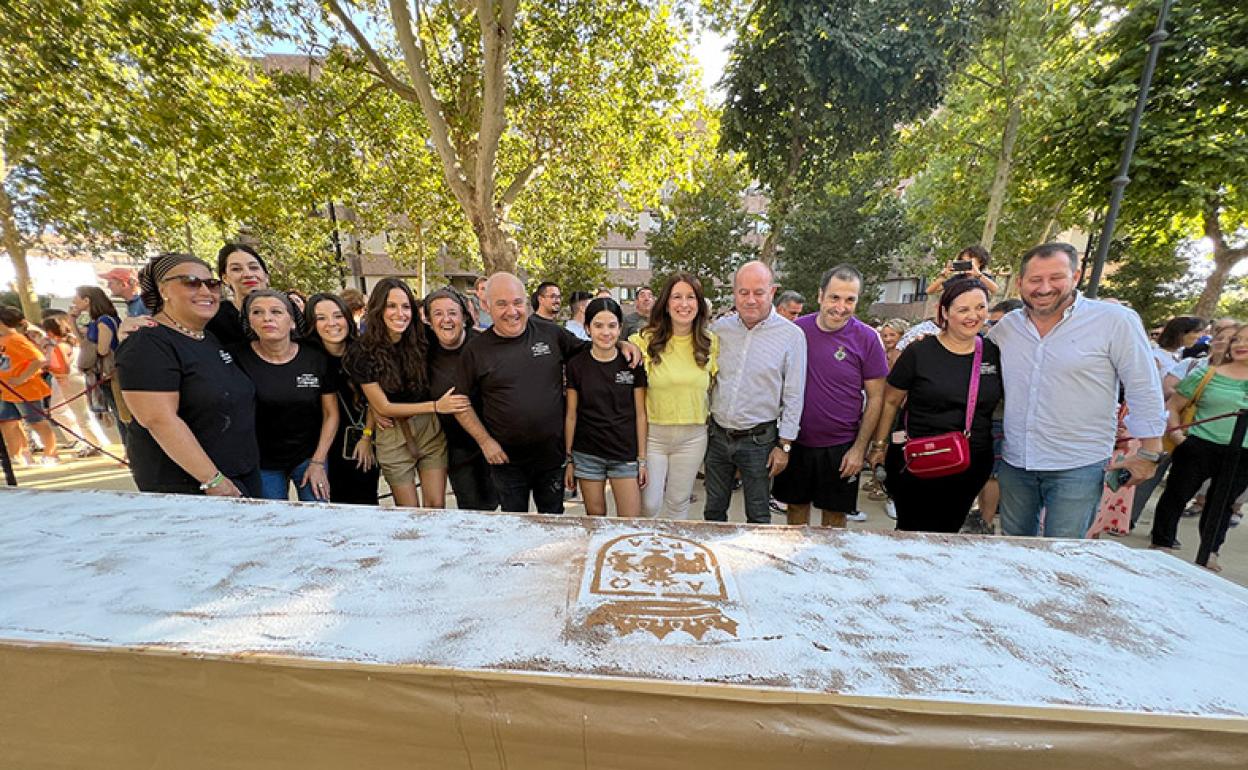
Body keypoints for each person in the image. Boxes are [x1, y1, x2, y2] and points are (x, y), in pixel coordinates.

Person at [988, 242, 1166, 538]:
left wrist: (1150, 452)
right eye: (1035, 280)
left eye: (1055, 277)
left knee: (1064, 554)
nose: (1044, 288)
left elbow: (1143, 387)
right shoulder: (1007, 327)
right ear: (1020, 283)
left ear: (1076, 276)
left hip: (1078, 465)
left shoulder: (1114, 321)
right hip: (1016, 460)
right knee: (1014, 548)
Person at [455, 273, 637, 513]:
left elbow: (591, 349)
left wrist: (621, 343)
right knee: (514, 524)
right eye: (502, 304)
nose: (512, 311)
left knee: (554, 524)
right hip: (505, 460)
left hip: (551, 458)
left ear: (527, 303)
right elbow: (460, 402)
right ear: (486, 305)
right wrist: (485, 442)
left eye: (517, 302)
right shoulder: (475, 350)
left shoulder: (550, 333)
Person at [116, 253, 260, 496]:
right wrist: (212, 480)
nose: (205, 291)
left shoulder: (208, 337)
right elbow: (159, 420)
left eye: (212, 284)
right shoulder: (147, 343)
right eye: (191, 282)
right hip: (191, 485)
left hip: (240, 473)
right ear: (164, 290)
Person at [866, 279, 1004, 532]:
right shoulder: (920, 351)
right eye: (963, 309)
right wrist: (879, 446)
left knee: (949, 531)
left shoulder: (994, 353)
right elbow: (891, 401)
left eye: (980, 307)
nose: (973, 316)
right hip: (917, 460)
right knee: (911, 531)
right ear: (945, 312)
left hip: (969, 463)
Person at [772, 265, 886, 528]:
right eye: (835, 297)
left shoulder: (868, 339)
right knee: (795, 514)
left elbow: (877, 398)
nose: (841, 307)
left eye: (850, 299)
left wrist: (860, 449)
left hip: (841, 447)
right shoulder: (796, 331)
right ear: (820, 295)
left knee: (835, 520)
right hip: (796, 443)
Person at [345, 277, 466, 509]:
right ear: (379, 308)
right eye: (391, 306)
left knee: (435, 506)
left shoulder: (422, 339)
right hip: (391, 432)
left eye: (405, 306)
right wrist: (435, 406)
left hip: (429, 429)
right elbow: (383, 406)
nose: (400, 313)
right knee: (408, 511)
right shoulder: (361, 351)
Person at [704, 261, 807, 525]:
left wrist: (784, 445)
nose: (750, 300)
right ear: (734, 292)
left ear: (772, 292)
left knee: (759, 514)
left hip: (759, 441)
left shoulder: (791, 336)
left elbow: (794, 395)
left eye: (758, 292)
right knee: (713, 511)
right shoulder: (719, 330)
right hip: (717, 436)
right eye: (743, 292)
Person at [1151, 324, 1248, 572]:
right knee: (1177, 494)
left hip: (1242, 453)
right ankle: (1162, 544)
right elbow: (1173, 407)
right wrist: (1180, 438)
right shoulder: (1207, 374)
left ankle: (1210, 551)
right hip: (1199, 445)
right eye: (1236, 339)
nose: (1239, 344)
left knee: (1223, 503)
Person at [231, 289, 338, 502]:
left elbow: (331, 414)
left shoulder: (314, 358)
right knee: (272, 520)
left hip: (308, 456)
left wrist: (318, 462)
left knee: (319, 516)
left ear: (292, 321)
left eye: (276, 312)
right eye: (257, 312)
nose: (267, 318)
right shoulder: (234, 357)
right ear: (249, 322)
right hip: (262, 461)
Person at [629, 273, 718, 520]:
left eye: (691, 297)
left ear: (699, 304)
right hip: (653, 437)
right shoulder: (643, 340)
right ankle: (647, 554)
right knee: (649, 504)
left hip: (693, 437)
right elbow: (612, 347)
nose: (684, 304)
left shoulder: (711, 342)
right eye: (676, 297)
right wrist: (621, 346)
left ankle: (673, 557)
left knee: (678, 503)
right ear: (666, 304)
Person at [564, 298, 648, 517]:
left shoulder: (632, 362)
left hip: (624, 454)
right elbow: (571, 415)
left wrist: (641, 459)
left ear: (620, 328)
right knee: (596, 520)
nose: (605, 332)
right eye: (598, 325)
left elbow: (640, 414)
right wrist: (569, 459)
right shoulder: (576, 364)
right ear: (587, 328)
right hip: (587, 455)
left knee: (630, 522)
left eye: (612, 326)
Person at [423, 287, 498, 511]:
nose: (446, 319)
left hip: (495, 438)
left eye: (452, 313)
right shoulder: (423, 352)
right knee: (470, 508)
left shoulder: (485, 345)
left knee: (498, 505)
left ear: (464, 316)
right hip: (456, 445)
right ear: (428, 320)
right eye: (437, 313)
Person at [303, 293, 381, 505]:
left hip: (360, 439)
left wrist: (366, 437)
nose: (331, 323)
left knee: (365, 503)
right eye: (321, 318)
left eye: (337, 316)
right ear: (311, 323)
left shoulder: (364, 352)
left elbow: (376, 402)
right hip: (320, 444)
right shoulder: (306, 359)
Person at [40, 313, 107, 455]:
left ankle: (95, 444)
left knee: (81, 415)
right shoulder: (74, 342)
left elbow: (64, 368)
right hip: (79, 378)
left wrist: (48, 367)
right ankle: (96, 442)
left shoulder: (60, 346)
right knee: (83, 413)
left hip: (71, 380)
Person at [0, 306, 58, 465]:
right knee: (8, 422)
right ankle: (20, 454)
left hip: (24, 389)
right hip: (5, 390)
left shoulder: (17, 339)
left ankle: (51, 453)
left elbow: (39, 359)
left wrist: (21, 378)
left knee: (36, 421)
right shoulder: (3, 339)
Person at [72, 285, 129, 446]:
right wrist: (72, 321)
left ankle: (129, 450)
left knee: (121, 413)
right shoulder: (96, 321)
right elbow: (83, 344)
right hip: (103, 374)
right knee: (119, 412)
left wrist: (89, 347)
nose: (74, 301)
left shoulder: (103, 321)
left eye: (77, 297)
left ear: (87, 300)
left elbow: (103, 349)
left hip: (109, 373)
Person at [206, 243, 270, 345]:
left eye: (253, 267)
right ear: (225, 278)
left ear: (266, 276)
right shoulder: (214, 319)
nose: (248, 274)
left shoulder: (289, 311)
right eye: (236, 269)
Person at [926, 244, 1001, 298]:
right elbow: (929, 291)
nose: (966, 263)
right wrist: (943, 276)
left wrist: (978, 275)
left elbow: (995, 290)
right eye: (963, 261)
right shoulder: (957, 279)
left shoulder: (985, 278)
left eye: (969, 260)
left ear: (980, 262)